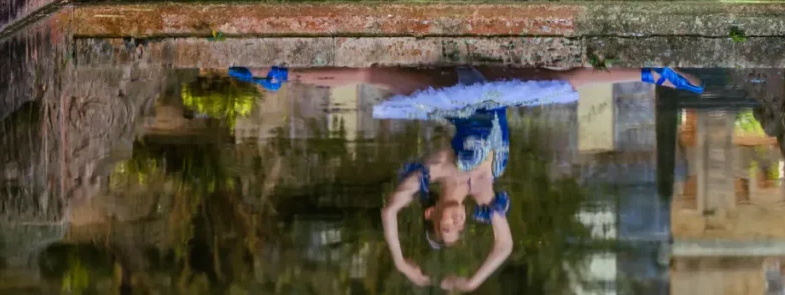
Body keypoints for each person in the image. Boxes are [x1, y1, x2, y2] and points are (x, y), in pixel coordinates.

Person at [229, 63, 701, 291]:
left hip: (456, 97)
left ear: (433, 214)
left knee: (371, 73)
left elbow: (389, 209)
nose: (454, 226)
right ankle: (650, 74)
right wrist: (473, 283)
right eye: (457, 232)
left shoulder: (432, 175)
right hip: (496, 98)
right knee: (564, 86)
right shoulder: (484, 194)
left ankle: (282, 75)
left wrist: (398, 260)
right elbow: (505, 248)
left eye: (442, 227)